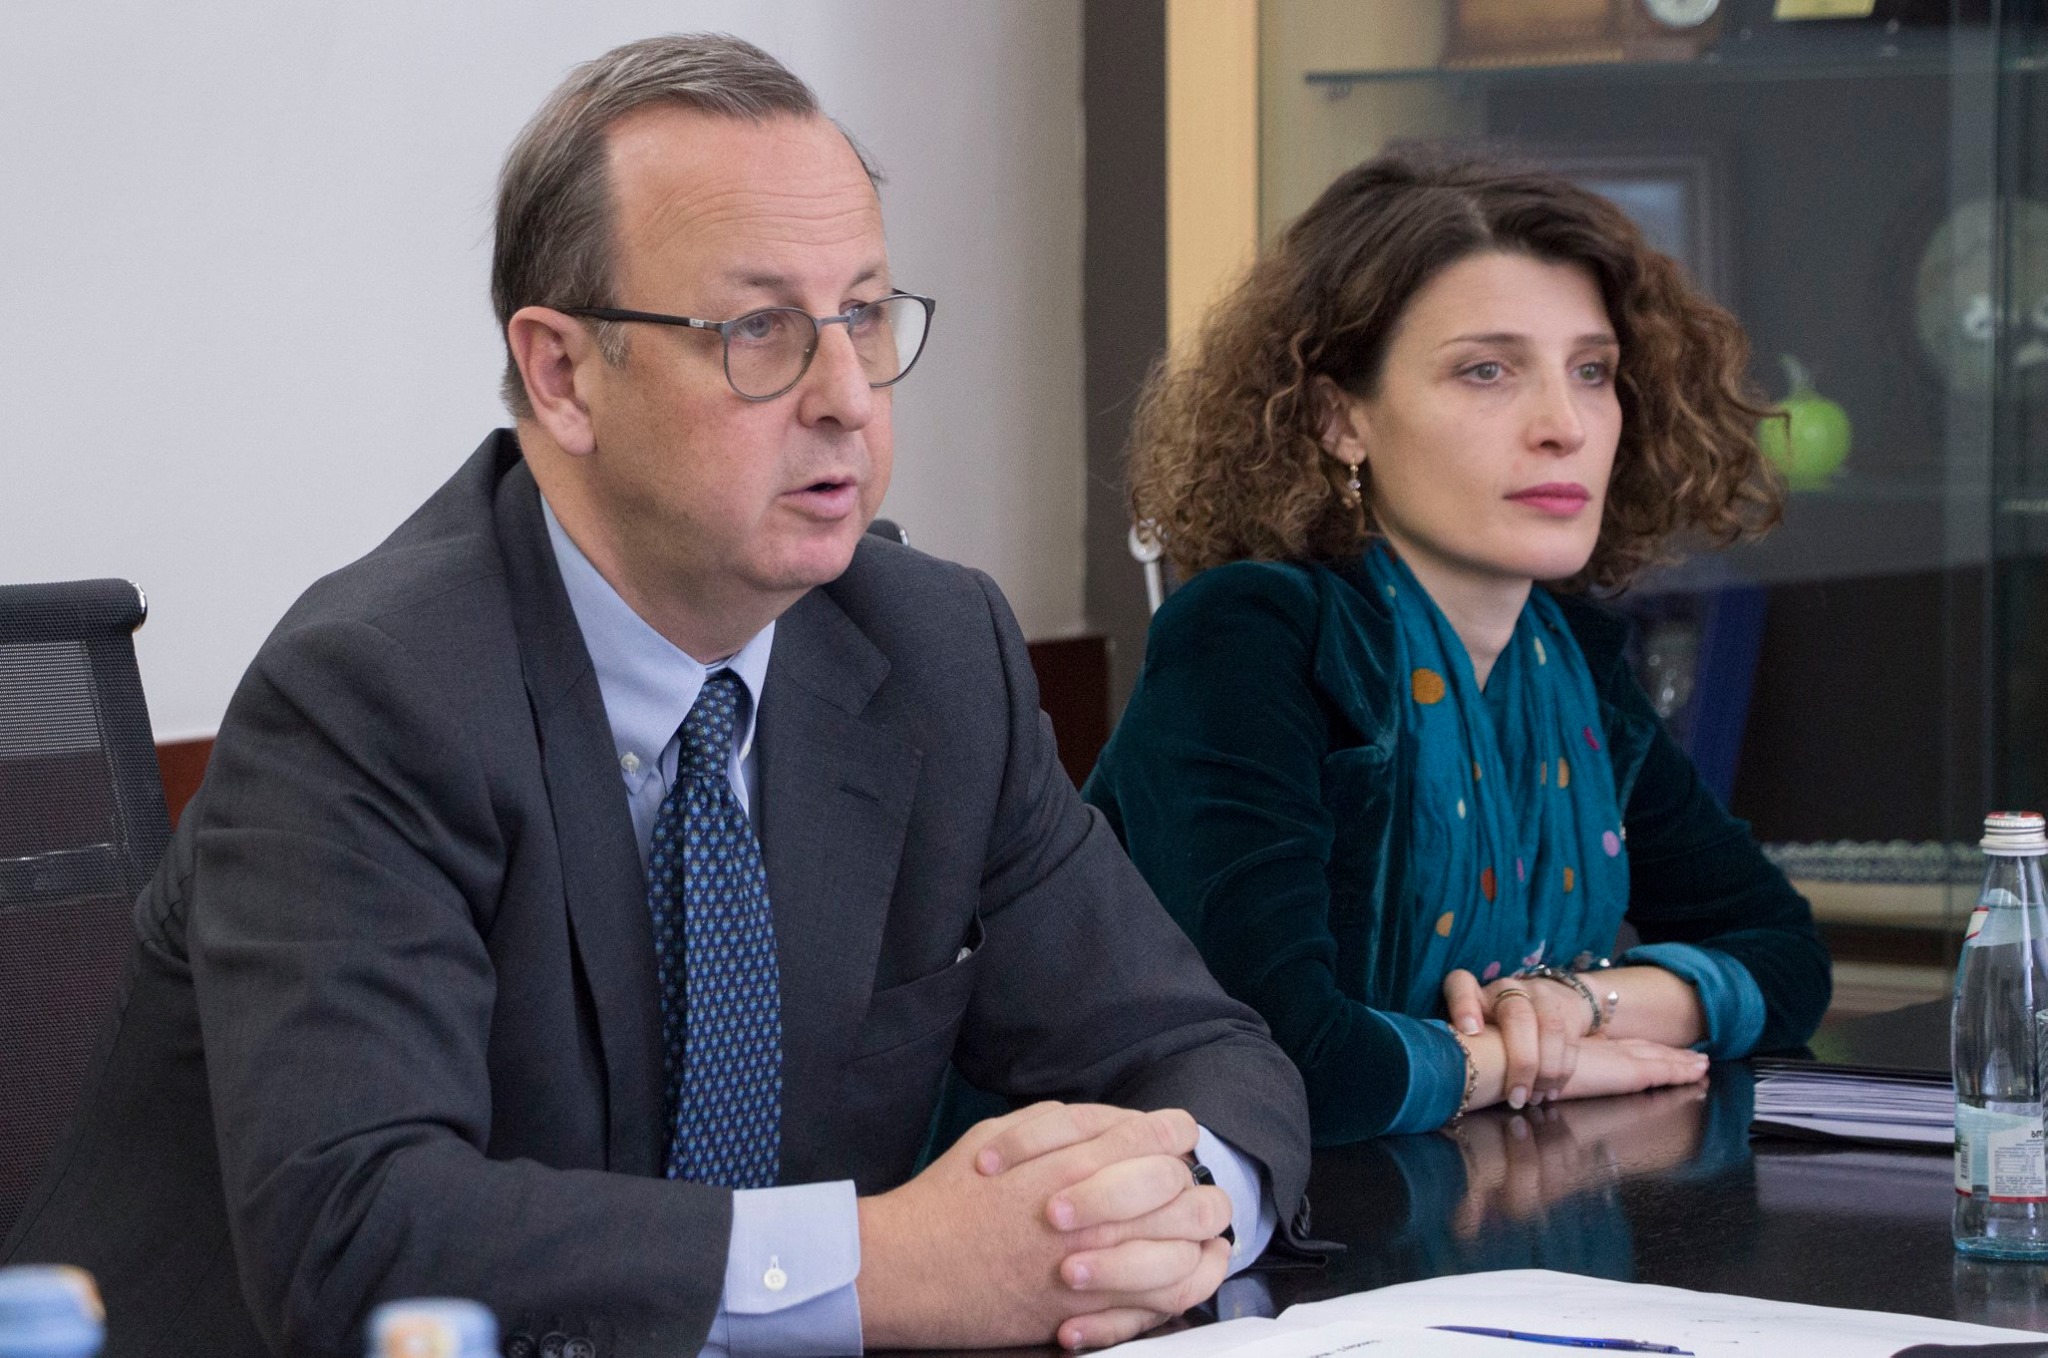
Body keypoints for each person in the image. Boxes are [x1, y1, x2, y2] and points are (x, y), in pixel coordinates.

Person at [2, 34, 1310, 1358]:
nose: (846, 398)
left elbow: (1200, 1046)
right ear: (562, 373)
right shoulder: (371, 694)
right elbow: (359, 1229)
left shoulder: (931, 653)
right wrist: (892, 1261)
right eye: (759, 330)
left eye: (863, 314)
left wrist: (1171, 1204)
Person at [1083, 151, 1830, 1146]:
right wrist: (1513, 1061)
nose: (1563, 426)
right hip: (1170, 1217)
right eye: (1487, 370)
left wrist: (1572, 1005)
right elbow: (1273, 1054)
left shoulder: (1565, 661)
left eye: (1592, 371)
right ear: (1338, 419)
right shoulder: (1249, 638)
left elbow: (1784, 955)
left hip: (1467, 1194)